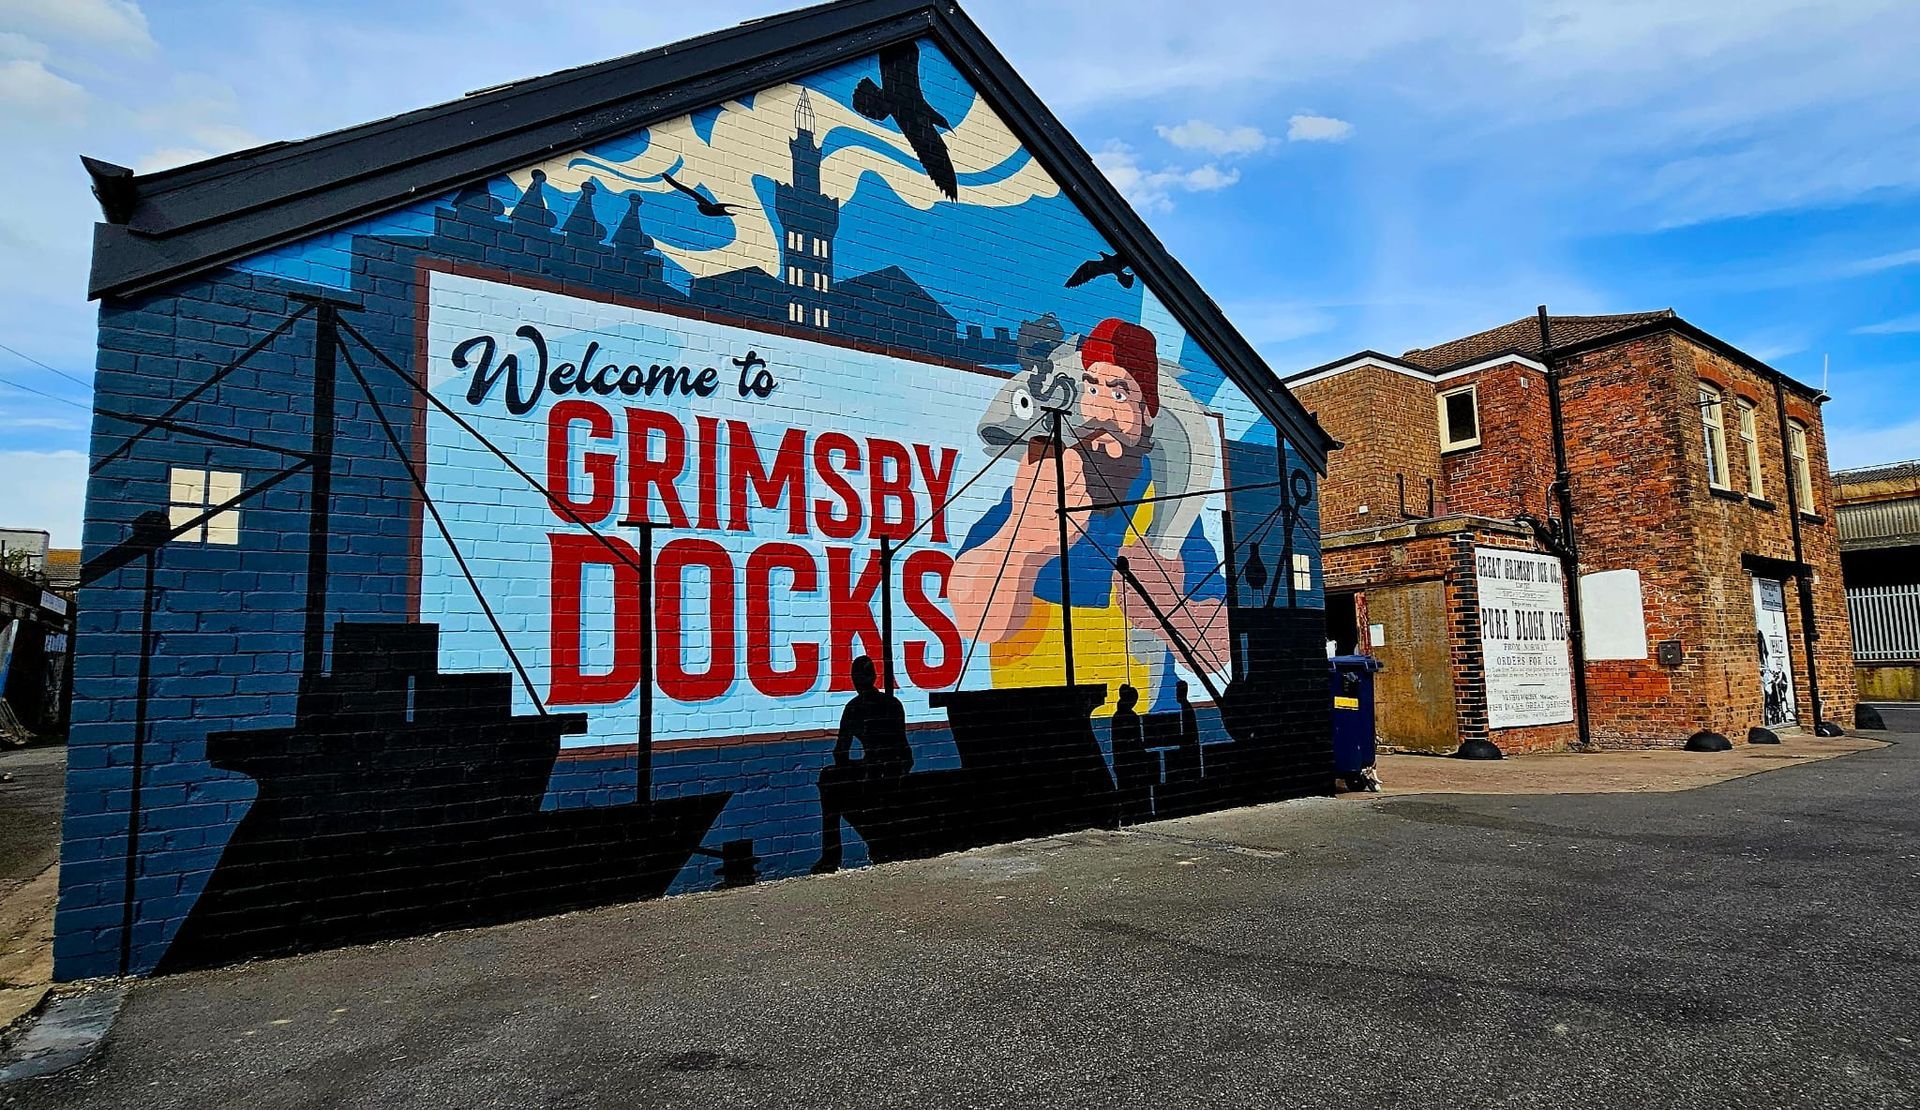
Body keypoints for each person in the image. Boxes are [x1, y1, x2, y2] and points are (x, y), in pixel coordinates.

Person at [950, 318, 1227, 701]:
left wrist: (1170, 608)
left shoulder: (1167, 507)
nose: (1099, 411)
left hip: (1139, 728)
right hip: (1030, 728)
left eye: (1119, 394)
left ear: (1148, 415)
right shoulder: (1039, 486)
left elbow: (1220, 649)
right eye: (1090, 388)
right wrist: (1026, 538)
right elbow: (971, 617)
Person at [812, 656, 911, 873]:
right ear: (874, 676)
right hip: (893, 768)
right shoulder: (892, 703)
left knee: (827, 779)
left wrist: (852, 764)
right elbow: (904, 752)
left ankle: (831, 855)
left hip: (878, 771)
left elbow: (841, 751)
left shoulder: (855, 707)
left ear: (855, 679)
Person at [1110, 684, 1151, 822]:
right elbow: (1135, 741)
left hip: (1121, 762)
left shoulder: (1117, 715)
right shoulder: (1129, 716)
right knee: (1131, 792)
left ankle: (1126, 816)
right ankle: (1129, 816)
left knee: (1125, 791)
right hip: (1130, 762)